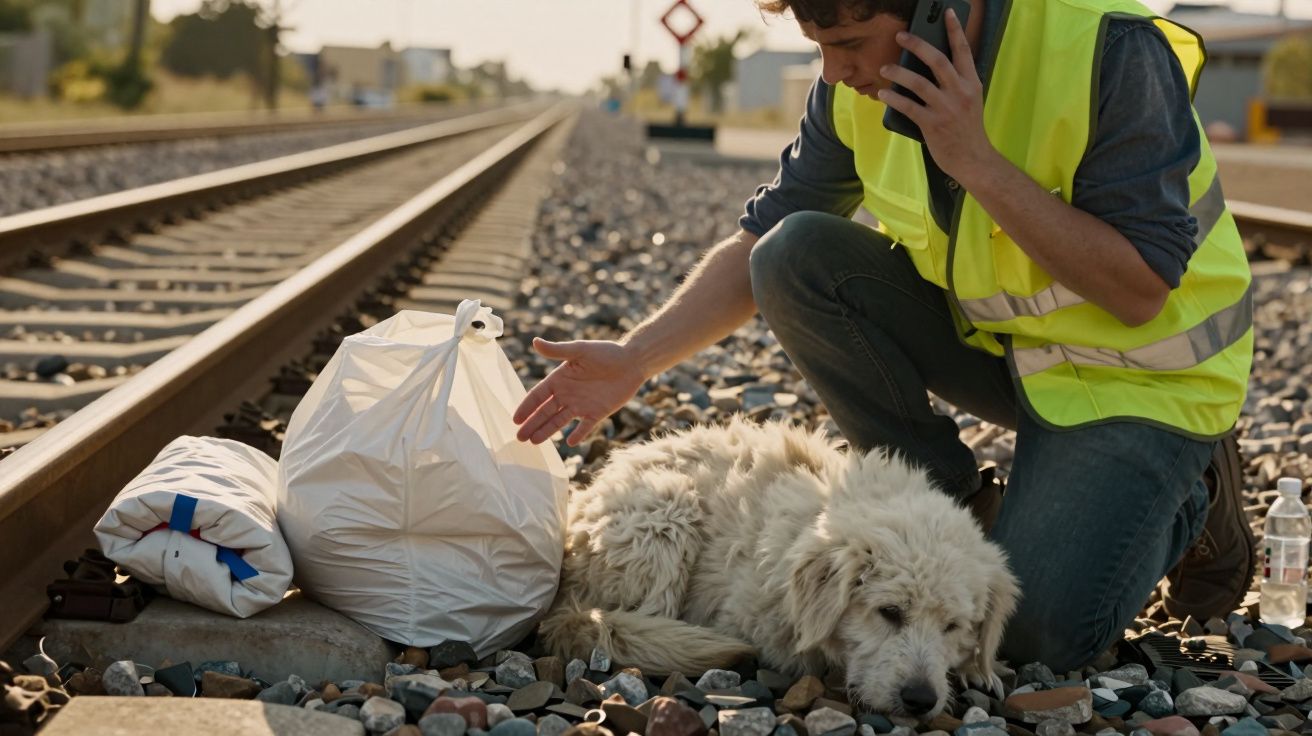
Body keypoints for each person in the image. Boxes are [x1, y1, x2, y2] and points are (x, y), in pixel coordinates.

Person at [514, 0, 1254, 672]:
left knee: (1033, 642)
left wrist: (975, 159)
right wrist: (636, 358)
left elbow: (1139, 288)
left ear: (938, 10)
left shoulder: (1109, 46)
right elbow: (761, 245)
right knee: (796, 255)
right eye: (818, 47)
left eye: (851, 43)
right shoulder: (855, 86)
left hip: (1144, 378)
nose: (836, 72)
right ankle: (957, 504)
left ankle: (1198, 492)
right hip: (1007, 349)